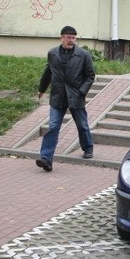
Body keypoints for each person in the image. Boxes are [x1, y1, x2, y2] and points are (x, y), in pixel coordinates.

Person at [35, 25, 96, 172]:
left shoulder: (84, 55)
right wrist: (42, 89)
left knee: (82, 124)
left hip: (75, 96)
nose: (71, 40)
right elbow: (48, 72)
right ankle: (46, 159)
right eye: (68, 37)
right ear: (61, 38)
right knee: (53, 127)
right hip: (58, 96)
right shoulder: (53, 53)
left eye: (73, 37)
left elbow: (90, 76)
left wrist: (82, 92)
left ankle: (88, 148)